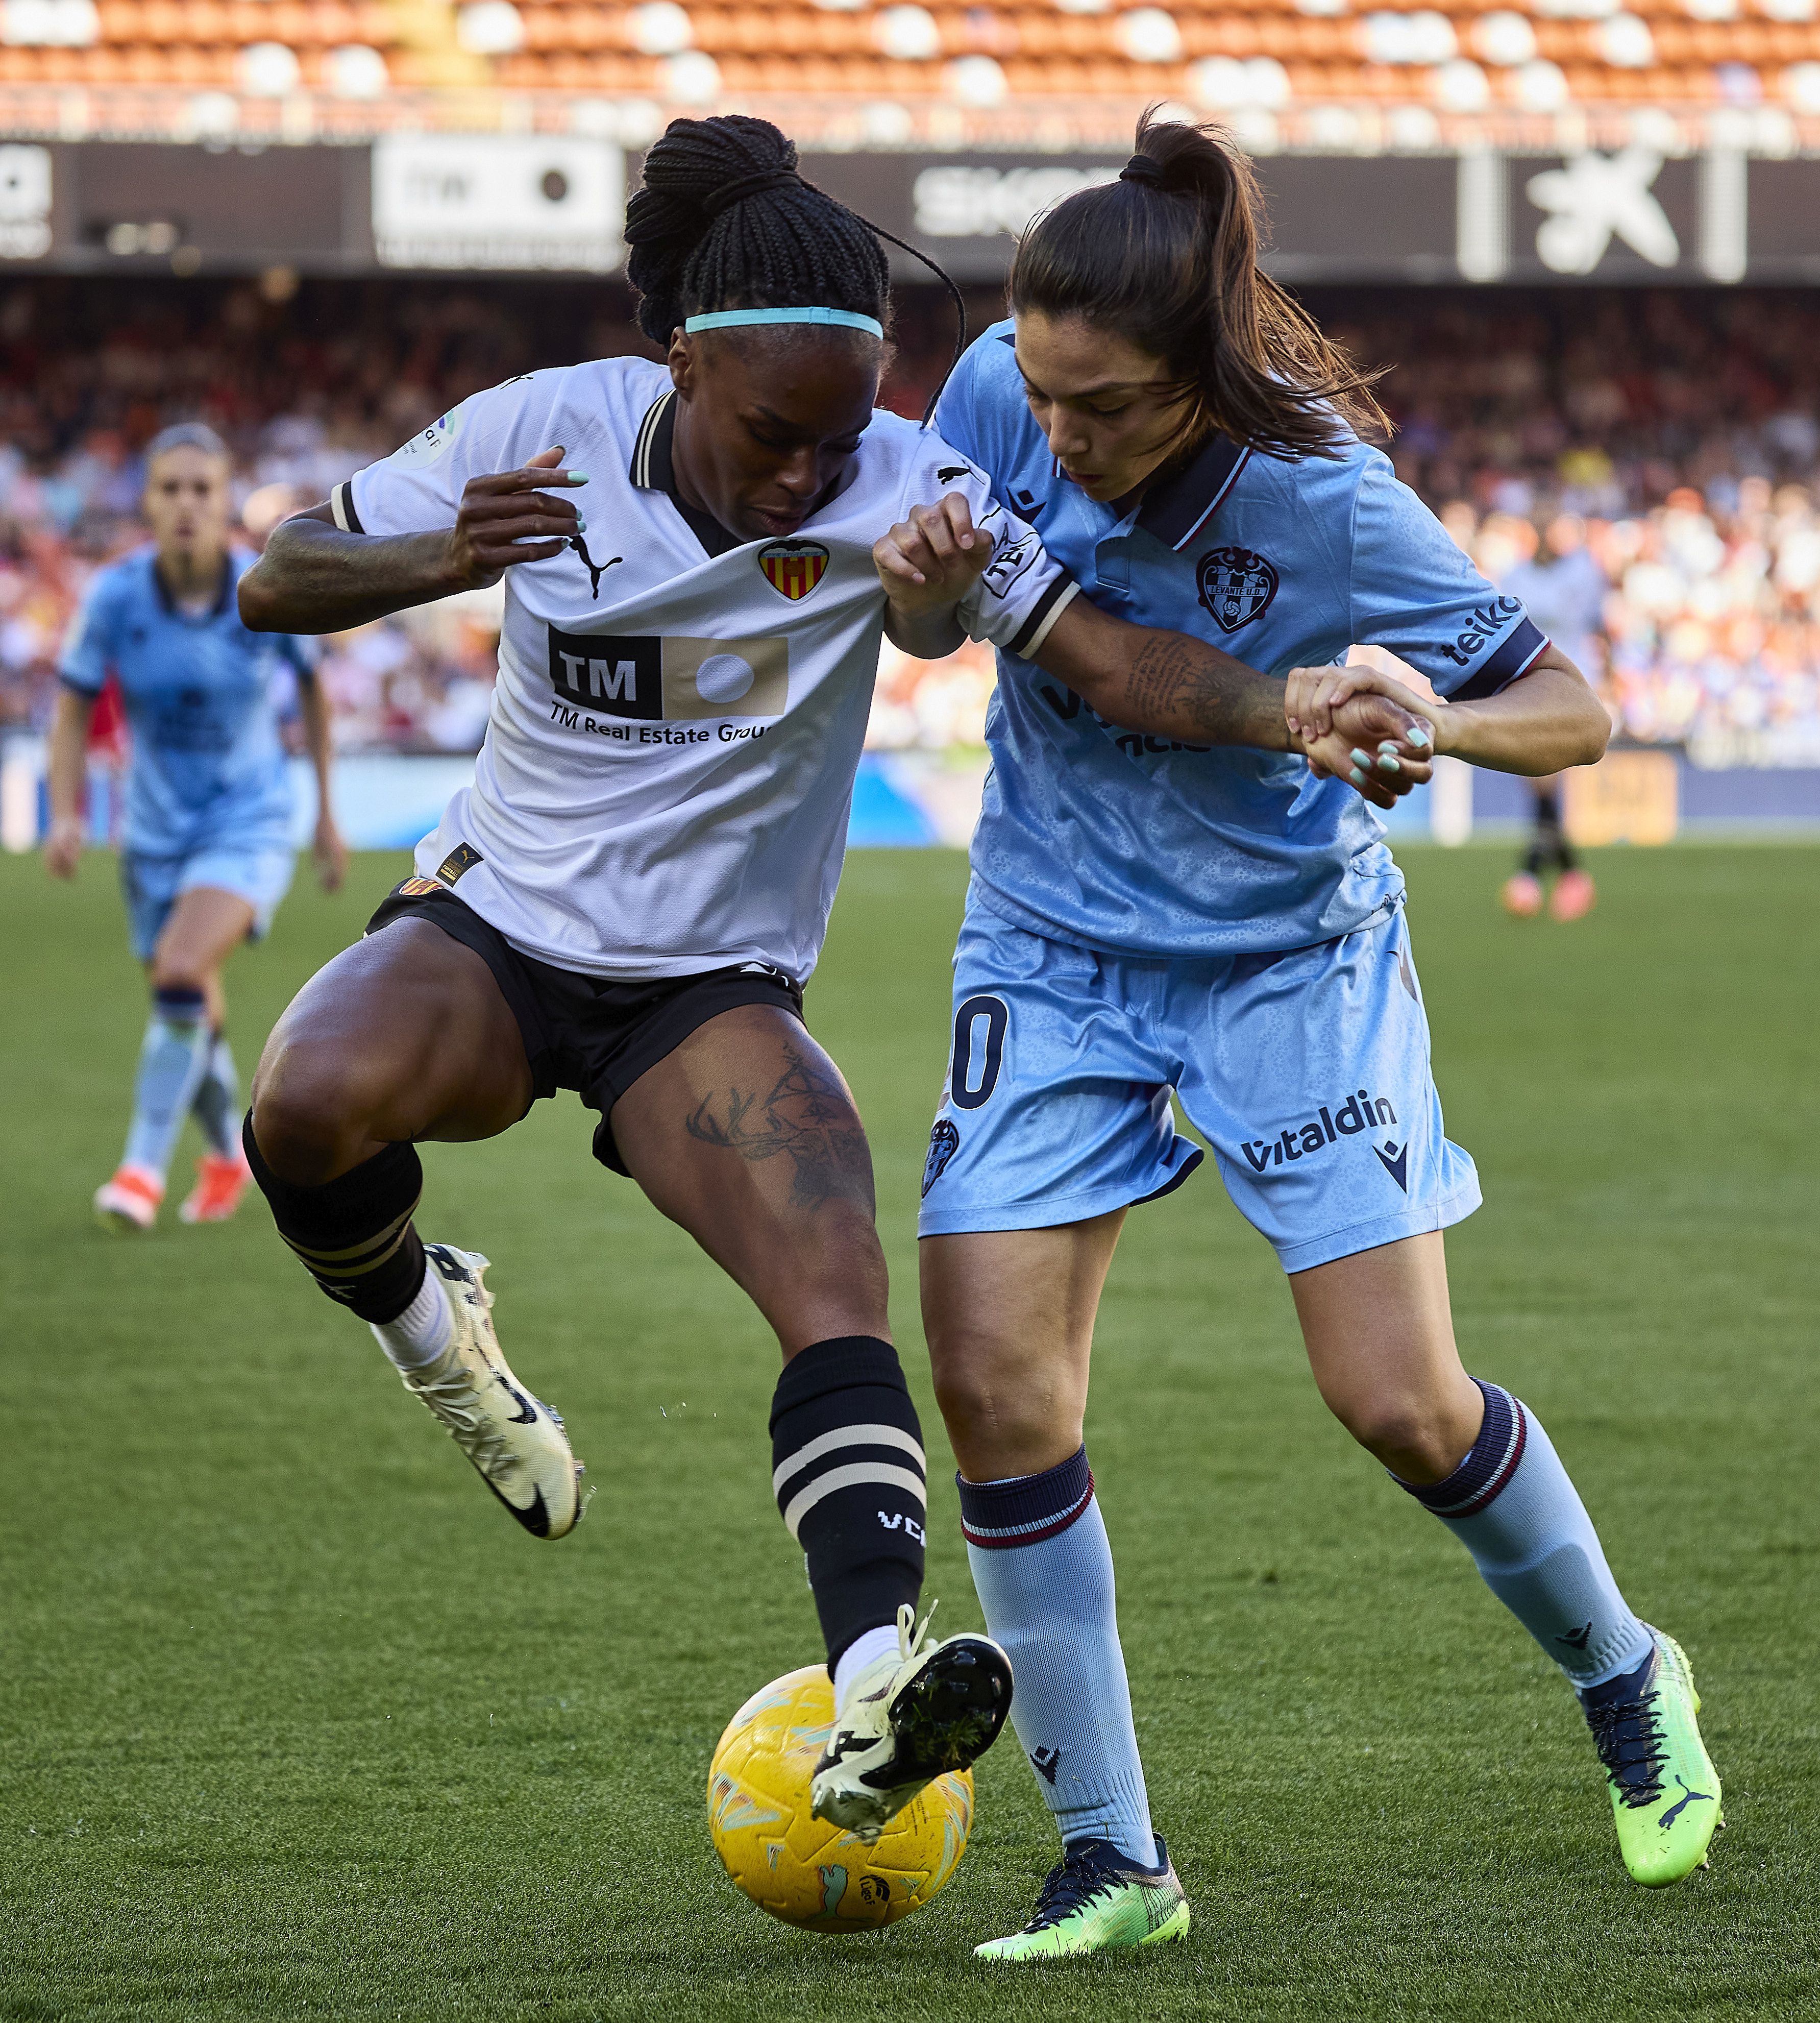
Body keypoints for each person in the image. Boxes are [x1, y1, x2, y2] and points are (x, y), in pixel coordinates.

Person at [234, 115, 1423, 1835]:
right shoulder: (539, 435)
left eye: (832, 431)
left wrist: (1288, 707)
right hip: (495, 930)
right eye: (767, 434)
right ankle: (437, 1336)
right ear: (675, 367)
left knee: (831, 1280)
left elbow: (1114, 662)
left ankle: (873, 1690)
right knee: (301, 1106)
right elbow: (277, 570)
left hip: (703, 989)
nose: (803, 474)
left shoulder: (906, 491)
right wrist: (435, 556)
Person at [897, 115, 1720, 1958]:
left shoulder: (1331, 495)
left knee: (1398, 1401)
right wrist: (929, 570)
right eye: (1040, 394)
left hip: (1287, 961)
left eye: (1099, 407)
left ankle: (1622, 1664)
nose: (1059, 435)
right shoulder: (996, 388)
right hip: (1047, 938)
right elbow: (934, 617)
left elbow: (1571, 714)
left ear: (1194, 382)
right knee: (992, 1382)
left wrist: (1435, 715)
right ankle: (1113, 1859)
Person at [46, 422, 346, 1233]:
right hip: (151, 835)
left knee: (181, 969)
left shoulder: (266, 587)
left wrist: (325, 811)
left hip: (246, 823)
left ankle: (140, 1170)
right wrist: (68, 813)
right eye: (171, 488)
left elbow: (315, 693)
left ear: (225, 501)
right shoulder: (114, 596)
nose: (186, 503)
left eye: (202, 488)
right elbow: (71, 708)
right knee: (192, 1002)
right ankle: (226, 1156)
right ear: (147, 500)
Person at [1498, 513, 1609, 920]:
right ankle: (1567, 875)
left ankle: (1531, 875)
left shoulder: (1583, 571)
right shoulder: (1514, 576)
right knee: (1539, 784)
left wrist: (1608, 676)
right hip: (1529, 685)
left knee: (1542, 780)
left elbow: (1599, 626)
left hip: (1572, 684)